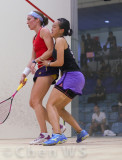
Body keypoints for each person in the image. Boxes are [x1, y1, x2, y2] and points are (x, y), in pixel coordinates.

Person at [41, 18, 89, 146]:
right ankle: (80, 132)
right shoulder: (61, 41)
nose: (52, 28)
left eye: (55, 27)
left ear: (61, 30)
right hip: (76, 77)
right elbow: (64, 64)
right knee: (59, 108)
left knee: (50, 104)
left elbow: (60, 63)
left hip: (72, 76)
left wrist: (48, 63)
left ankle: (57, 135)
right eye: (52, 26)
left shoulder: (60, 40)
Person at [20, 11, 66, 145]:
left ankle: (44, 134)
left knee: (35, 101)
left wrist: (37, 61)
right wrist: (24, 74)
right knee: (32, 102)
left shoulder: (44, 31)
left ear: (37, 20)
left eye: (29, 19)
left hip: (48, 68)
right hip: (41, 69)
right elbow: (32, 59)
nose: (27, 22)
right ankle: (57, 125)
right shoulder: (35, 38)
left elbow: (51, 50)